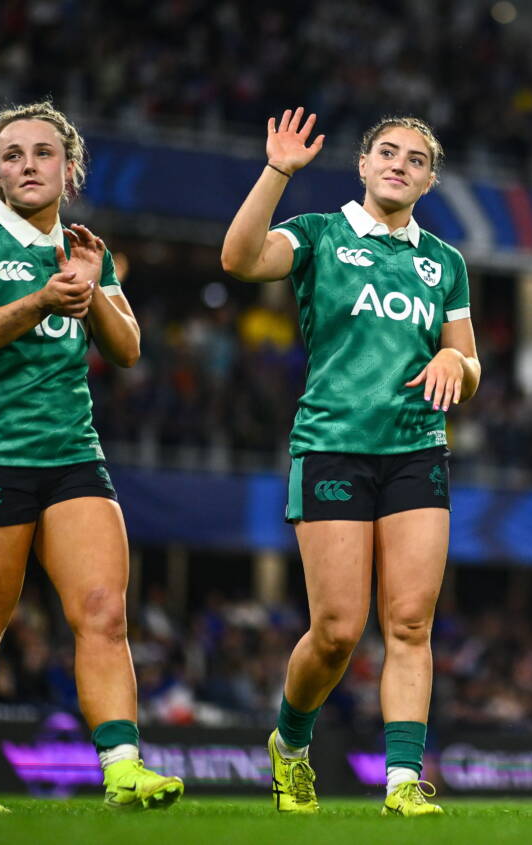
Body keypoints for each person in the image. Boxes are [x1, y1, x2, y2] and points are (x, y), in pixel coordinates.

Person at [0, 101, 183, 813]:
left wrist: (92, 287)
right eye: (13, 155)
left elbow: (128, 349)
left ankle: (124, 769)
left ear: (69, 170)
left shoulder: (84, 247)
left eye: (43, 153)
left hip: (73, 455)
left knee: (104, 611)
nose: (28, 165)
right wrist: (41, 299)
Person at [221, 108, 481, 816]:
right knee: (337, 631)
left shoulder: (444, 262)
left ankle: (401, 781)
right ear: (363, 166)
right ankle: (290, 741)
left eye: (416, 159)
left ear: (429, 180)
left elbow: (471, 361)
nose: (400, 164)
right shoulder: (318, 233)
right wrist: (278, 170)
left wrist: (456, 359)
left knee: (409, 624)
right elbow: (239, 261)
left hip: (416, 451)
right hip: (333, 445)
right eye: (387, 153)